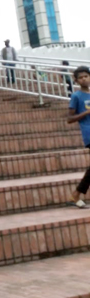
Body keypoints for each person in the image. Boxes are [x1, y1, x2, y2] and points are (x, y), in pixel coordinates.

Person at [66, 66, 90, 209]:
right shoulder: (76, 96)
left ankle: (76, 194)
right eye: (80, 77)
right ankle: (76, 194)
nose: (84, 79)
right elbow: (69, 119)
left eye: (86, 76)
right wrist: (86, 113)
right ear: (76, 81)